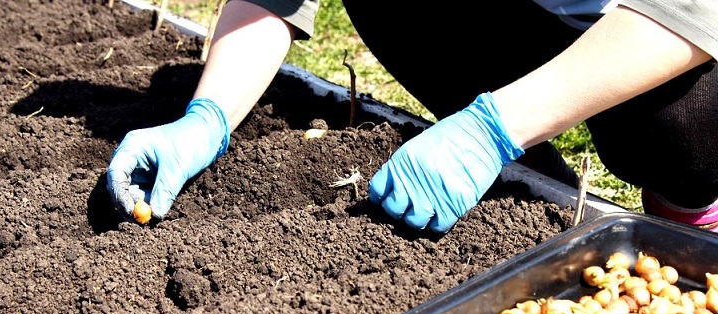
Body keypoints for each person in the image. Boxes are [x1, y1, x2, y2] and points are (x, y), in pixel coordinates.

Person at [106, 0, 718, 233]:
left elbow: (695, 11)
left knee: (679, 127)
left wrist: (492, 129)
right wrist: (207, 115)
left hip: (654, 31)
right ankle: (531, 187)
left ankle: (691, 210)